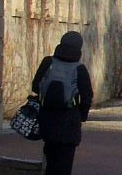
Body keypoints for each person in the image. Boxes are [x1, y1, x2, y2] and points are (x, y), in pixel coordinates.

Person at [31, 31, 93, 175]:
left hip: (47, 120)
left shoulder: (48, 62)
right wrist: (82, 115)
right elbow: (87, 96)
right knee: (64, 165)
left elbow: (35, 85)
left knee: (50, 162)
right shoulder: (80, 69)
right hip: (69, 123)